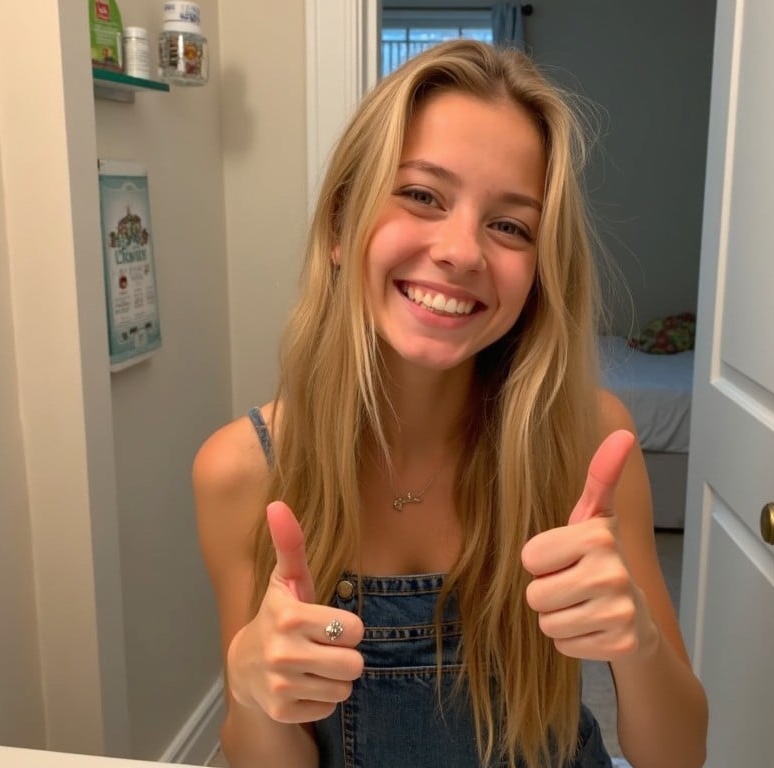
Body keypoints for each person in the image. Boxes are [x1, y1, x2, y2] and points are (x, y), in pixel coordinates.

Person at [193, 39, 707, 768]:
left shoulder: (590, 442)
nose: (463, 252)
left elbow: (680, 755)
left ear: (539, 270)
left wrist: (638, 645)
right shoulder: (242, 470)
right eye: (423, 195)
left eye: (510, 226)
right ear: (341, 226)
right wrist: (252, 688)